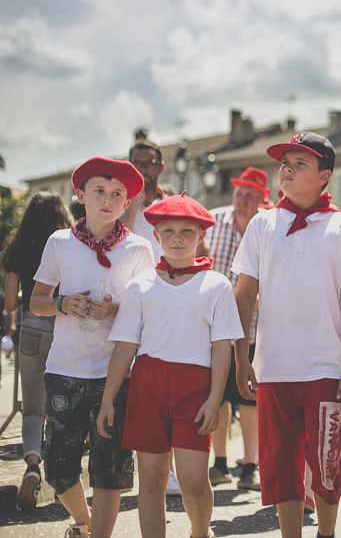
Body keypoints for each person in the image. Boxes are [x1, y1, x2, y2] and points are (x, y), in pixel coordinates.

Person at [231, 132, 341, 538]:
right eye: (285, 161)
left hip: (327, 366)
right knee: (279, 464)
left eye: (300, 163)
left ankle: (325, 534)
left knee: (329, 461)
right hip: (273, 366)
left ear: (324, 175)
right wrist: (242, 357)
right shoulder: (262, 224)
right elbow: (244, 294)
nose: (287, 168)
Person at [99, 194, 243, 538]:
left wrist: (214, 399)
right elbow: (124, 348)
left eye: (187, 231)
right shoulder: (140, 286)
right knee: (151, 479)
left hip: (194, 387)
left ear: (201, 235)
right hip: (147, 384)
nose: (178, 239)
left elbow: (222, 348)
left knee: (194, 481)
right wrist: (108, 398)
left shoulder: (217, 285)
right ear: (157, 234)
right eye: (169, 231)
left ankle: (199, 532)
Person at [30, 158, 154, 538]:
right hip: (65, 369)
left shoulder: (138, 249)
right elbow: (36, 300)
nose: (108, 199)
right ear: (80, 196)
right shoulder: (59, 243)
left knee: (109, 467)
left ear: (128, 202)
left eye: (118, 194)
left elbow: (149, 310)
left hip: (114, 375)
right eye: (99, 190)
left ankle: (98, 534)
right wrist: (62, 303)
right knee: (58, 467)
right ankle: (83, 523)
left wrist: (115, 308)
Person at [0, 192, 74, 511]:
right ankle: (64, 479)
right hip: (63, 325)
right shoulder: (69, 243)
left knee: (33, 408)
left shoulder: (20, 247)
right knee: (65, 407)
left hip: (30, 326)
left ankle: (32, 465)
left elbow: (10, 304)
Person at [199, 166, 268, 491]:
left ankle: (250, 466)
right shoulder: (212, 221)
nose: (241, 200)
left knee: (249, 400)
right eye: (239, 193)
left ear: (260, 200)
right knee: (220, 396)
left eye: (249, 196)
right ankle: (221, 463)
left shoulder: (266, 229)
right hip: (212, 329)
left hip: (252, 329)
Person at [121, 138, 167, 256]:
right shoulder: (116, 203)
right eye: (137, 163)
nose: (143, 169)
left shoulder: (171, 206)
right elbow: (114, 242)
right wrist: (134, 204)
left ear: (160, 168)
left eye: (150, 163)